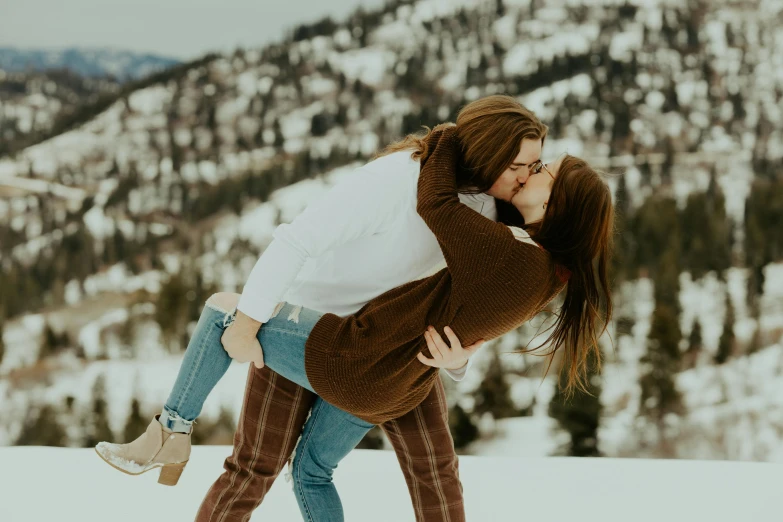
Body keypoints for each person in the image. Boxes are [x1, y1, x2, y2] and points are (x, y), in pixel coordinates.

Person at [96, 99, 614, 522]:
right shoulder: (401, 181)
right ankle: (169, 435)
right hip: (322, 321)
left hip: (374, 351)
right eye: (518, 165)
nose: (524, 177)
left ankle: (170, 429)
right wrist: (253, 317)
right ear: (488, 153)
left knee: (431, 469)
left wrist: (457, 360)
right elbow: (296, 240)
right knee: (265, 468)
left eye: (536, 168)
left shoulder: (493, 221)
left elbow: (470, 300)